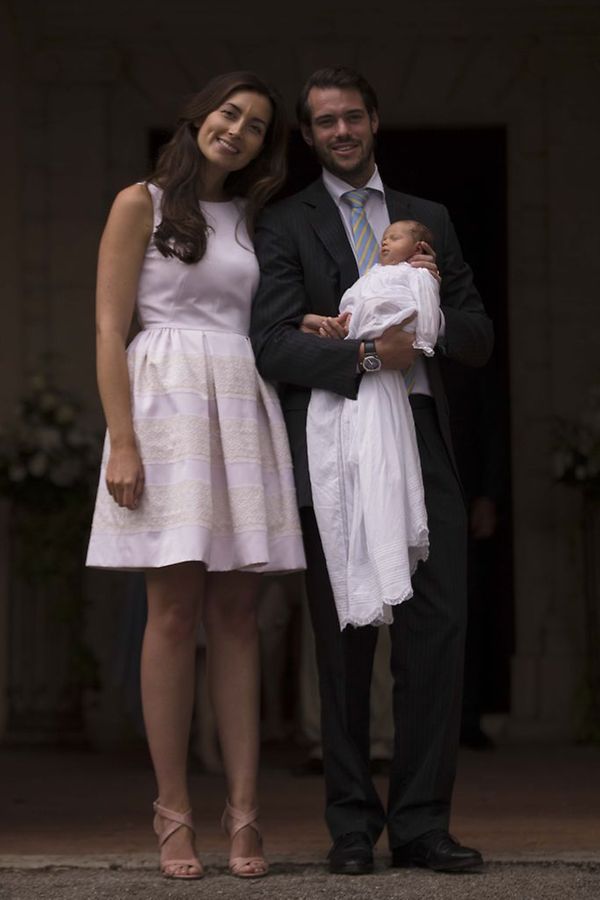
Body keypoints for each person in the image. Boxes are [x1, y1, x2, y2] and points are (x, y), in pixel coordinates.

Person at [250, 66, 494, 875]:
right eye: (326, 122)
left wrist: (428, 318)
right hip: (339, 438)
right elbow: (272, 343)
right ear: (308, 134)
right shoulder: (284, 223)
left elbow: (478, 336)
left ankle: (422, 824)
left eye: (353, 117)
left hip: (422, 434)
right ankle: (352, 824)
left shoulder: (430, 219)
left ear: (376, 121)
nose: (342, 132)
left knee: (436, 630)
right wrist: (363, 355)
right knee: (345, 635)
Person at [86, 71, 305, 880]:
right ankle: (172, 810)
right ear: (200, 116)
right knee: (174, 612)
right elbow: (108, 330)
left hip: (239, 406)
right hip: (164, 408)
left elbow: (263, 316)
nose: (237, 131)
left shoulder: (254, 218)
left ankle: (245, 813)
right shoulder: (137, 203)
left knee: (238, 613)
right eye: (229, 113)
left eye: (255, 126)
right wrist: (122, 441)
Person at [303, 220, 440, 630]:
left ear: (418, 246)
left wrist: (420, 336)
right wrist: (342, 330)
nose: (385, 242)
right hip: (348, 382)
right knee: (351, 483)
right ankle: (360, 594)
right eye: (384, 237)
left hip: (393, 394)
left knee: (382, 475)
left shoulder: (419, 274)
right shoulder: (370, 276)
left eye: (395, 237)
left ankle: (387, 566)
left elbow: (427, 318)